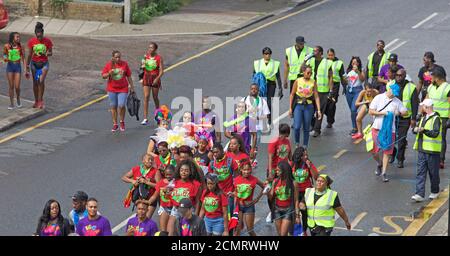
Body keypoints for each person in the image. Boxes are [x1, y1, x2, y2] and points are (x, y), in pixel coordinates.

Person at [368, 83, 407, 182]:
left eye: (395, 94)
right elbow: (371, 111)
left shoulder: (397, 101)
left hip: (390, 130)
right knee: (373, 150)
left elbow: (405, 112)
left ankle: (384, 172)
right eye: (393, 93)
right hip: (377, 128)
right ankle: (379, 163)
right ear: (389, 90)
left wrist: (399, 112)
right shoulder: (378, 97)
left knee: (387, 151)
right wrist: (383, 113)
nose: (394, 95)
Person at [411, 99, 442, 202]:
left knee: (433, 173)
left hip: (432, 151)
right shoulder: (423, 118)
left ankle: (435, 191)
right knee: (420, 172)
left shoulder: (436, 119)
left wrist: (424, 131)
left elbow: (435, 133)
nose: (421, 108)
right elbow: (417, 129)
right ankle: (419, 193)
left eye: (423, 106)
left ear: (427, 107)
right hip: (422, 149)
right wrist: (415, 130)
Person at [390, 69, 419, 168]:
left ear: (404, 76)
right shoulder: (391, 85)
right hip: (392, 117)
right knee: (391, 138)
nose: (398, 77)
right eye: (397, 75)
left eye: (400, 75)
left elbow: (415, 104)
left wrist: (413, 119)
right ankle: (392, 153)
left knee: (401, 140)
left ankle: (400, 159)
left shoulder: (411, 87)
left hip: (405, 118)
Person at [101, 50, 135, 132]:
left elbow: (129, 76)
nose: (118, 58)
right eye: (116, 57)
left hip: (123, 88)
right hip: (112, 89)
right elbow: (103, 76)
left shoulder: (124, 64)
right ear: (113, 57)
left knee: (121, 105)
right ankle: (115, 124)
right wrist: (109, 73)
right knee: (113, 106)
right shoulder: (109, 65)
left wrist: (132, 87)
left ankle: (122, 121)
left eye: (119, 57)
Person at [167, 160, 202, 236]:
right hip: (176, 209)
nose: (183, 172)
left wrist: (195, 216)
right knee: (171, 232)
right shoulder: (174, 182)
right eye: (181, 170)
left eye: (186, 170)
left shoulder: (195, 184)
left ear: (190, 172)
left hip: (188, 211)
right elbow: (168, 195)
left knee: (188, 232)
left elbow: (197, 202)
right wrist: (167, 192)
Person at [289, 65, 321, 148]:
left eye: (311, 73)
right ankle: (296, 143)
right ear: (303, 72)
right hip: (298, 106)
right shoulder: (298, 81)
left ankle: (305, 146)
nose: (309, 74)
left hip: (309, 106)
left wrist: (318, 110)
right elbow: (292, 94)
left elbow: (316, 96)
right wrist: (290, 108)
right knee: (297, 126)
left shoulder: (313, 82)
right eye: (308, 72)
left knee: (306, 127)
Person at [233, 159, 267, 236]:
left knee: (250, 230)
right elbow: (235, 193)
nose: (247, 171)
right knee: (237, 231)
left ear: (251, 169)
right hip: (239, 207)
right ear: (241, 170)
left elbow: (265, 187)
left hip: (249, 207)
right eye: (244, 170)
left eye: (248, 169)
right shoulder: (236, 180)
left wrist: (257, 199)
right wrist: (235, 207)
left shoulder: (254, 179)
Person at [425, 66, 449, 169]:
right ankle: (432, 157)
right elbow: (426, 100)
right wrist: (421, 112)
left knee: (441, 138)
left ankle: (441, 159)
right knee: (429, 137)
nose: (431, 78)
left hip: (442, 118)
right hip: (430, 116)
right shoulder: (431, 87)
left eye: (432, 76)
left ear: (437, 77)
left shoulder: (447, 88)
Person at [305, 46, 333, 137]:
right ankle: (313, 124)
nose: (313, 52)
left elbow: (330, 77)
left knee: (319, 110)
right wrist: (305, 59)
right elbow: (302, 69)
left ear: (321, 53)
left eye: (315, 51)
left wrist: (331, 90)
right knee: (309, 109)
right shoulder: (310, 60)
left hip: (322, 91)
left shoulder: (327, 63)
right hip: (311, 89)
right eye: (313, 51)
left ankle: (317, 129)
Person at [266, 123, 292, 222]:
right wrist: (270, 172)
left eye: (284, 134)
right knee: (271, 192)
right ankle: (271, 210)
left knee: (283, 190)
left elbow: (290, 155)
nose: (282, 136)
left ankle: (284, 209)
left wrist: (291, 166)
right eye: (281, 133)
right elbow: (270, 157)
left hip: (285, 170)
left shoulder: (287, 142)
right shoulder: (274, 141)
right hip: (274, 170)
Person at [121, 153, 160, 218]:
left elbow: (159, 186)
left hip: (150, 198)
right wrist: (133, 181)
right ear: (143, 161)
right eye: (149, 159)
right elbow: (124, 177)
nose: (151, 161)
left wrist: (147, 182)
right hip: (139, 199)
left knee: (146, 218)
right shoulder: (136, 169)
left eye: (152, 160)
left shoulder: (155, 171)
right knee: (140, 217)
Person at [25, 22, 53, 109]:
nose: (39, 37)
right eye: (37, 35)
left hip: (44, 64)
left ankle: (41, 100)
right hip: (34, 64)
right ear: (35, 34)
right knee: (36, 82)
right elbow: (30, 54)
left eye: (40, 35)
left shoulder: (48, 41)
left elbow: (50, 53)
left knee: (41, 81)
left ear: (43, 33)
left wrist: (45, 53)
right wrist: (27, 65)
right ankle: (36, 100)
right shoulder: (32, 41)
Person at [291, 146, 319, 233]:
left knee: (304, 213)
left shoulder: (308, 164)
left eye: (307, 155)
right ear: (299, 156)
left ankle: (304, 231)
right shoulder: (292, 164)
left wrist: (310, 166)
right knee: (295, 213)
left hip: (307, 192)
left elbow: (316, 177)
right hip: (295, 192)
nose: (306, 157)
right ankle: (297, 231)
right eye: (304, 155)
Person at [242, 84, 270, 166]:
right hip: (246, 126)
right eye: (252, 89)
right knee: (246, 143)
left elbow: (267, 115)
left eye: (255, 89)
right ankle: (246, 159)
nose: (253, 90)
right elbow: (239, 113)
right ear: (249, 90)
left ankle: (252, 159)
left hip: (258, 127)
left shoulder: (262, 101)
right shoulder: (244, 100)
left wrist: (258, 117)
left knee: (254, 145)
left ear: (258, 91)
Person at [253, 47, 283, 125]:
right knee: (260, 102)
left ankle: (269, 120)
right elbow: (254, 75)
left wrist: (280, 88)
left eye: (269, 54)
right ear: (263, 54)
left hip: (271, 85)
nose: (267, 55)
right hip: (260, 85)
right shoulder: (257, 63)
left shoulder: (275, 64)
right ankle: (258, 118)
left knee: (268, 103)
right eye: (266, 54)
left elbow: (278, 76)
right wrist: (253, 87)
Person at [269, 161, 298, 236]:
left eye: (278, 170)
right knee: (280, 234)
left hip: (288, 210)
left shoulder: (293, 183)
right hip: (277, 210)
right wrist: (267, 192)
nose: (276, 172)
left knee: (283, 234)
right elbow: (271, 197)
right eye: (276, 170)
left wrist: (297, 215)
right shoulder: (275, 181)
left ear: (284, 171)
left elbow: (296, 200)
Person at [209, 142, 239, 216]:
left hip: (229, 194)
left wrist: (235, 192)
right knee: (218, 216)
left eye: (217, 152)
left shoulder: (230, 161)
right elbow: (210, 181)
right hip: (217, 194)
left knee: (229, 216)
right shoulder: (212, 164)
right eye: (213, 152)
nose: (215, 154)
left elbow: (237, 178)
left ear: (222, 151)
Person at [140, 42, 164, 125]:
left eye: (152, 48)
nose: (150, 49)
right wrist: (141, 77)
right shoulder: (145, 56)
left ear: (155, 49)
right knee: (146, 96)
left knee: (155, 97)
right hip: (146, 77)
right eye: (149, 47)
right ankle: (145, 118)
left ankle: (158, 114)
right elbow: (142, 67)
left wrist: (157, 79)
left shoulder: (159, 58)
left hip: (155, 78)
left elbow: (161, 71)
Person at [146, 165, 175, 232]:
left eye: (170, 174)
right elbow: (155, 195)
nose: (168, 176)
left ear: (174, 173)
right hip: (164, 208)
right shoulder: (161, 183)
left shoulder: (177, 182)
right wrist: (147, 202)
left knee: (171, 231)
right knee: (163, 231)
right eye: (166, 174)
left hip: (174, 208)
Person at [345, 56, 366, 135]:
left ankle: (355, 128)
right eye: (353, 62)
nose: (354, 64)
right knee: (352, 111)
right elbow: (346, 81)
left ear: (358, 63)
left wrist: (358, 72)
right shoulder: (349, 70)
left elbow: (362, 79)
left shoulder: (362, 70)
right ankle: (357, 124)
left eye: (356, 62)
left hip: (358, 91)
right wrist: (345, 80)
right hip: (349, 91)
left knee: (354, 109)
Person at [326, 48, 347, 128]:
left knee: (332, 103)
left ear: (334, 54)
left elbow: (342, 75)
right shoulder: (324, 62)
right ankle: (329, 116)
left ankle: (330, 122)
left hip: (335, 85)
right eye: (329, 55)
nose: (330, 56)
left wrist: (344, 87)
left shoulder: (339, 63)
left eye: (332, 55)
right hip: (326, 84)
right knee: (325, 103)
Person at [3, 32, 25, 110]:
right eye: (17, 37)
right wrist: (5, 58)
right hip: (10, 67)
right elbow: (4, 54)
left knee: (17, 87)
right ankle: (12, 103)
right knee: (11, 86)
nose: (19, 38)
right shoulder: (6, 46)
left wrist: (26, 69)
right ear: (13, 38)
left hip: (17, 67)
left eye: (19, 37)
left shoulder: (21, 46)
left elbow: (23, 58)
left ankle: (18, 99)